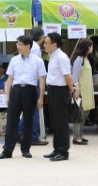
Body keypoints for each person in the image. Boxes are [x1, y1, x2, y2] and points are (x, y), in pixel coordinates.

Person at [0, 35, 47, 159]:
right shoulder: (14, 60)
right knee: (11, 120)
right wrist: (8, 95)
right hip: (16, 90)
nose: (17, 46)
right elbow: (9, 79)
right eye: (17, 44)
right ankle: (7, 150)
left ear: (28, 46)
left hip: (30, 90)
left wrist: (40, 97)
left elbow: (42, 80)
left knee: (28, 120)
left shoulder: (38, 61)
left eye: (20, 44)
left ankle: (26, 149)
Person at [43, 32, 77, 161]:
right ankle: (56, 148)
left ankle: (63, 152)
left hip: (60, 91)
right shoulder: (52, 56)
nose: (44, 45)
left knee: (61, 122)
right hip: (52, 91)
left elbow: (68, 76)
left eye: (47, 43)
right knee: (54, 121)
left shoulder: (61, 57)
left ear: (54, 44)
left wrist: (70, 89)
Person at [17, 27, 48, 146]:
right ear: (41, 37)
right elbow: (38, 71)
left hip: (25, 83)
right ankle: (33, 137)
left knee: (29, 111)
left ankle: (19, 133)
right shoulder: (36, 49)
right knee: (33, 111)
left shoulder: (31, 47)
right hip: (33, 83)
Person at [71, 38, 95, 145]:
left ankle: (80, 134)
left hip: (87, 89)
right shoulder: (79, 59)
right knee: (79, 113)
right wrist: (76, 89)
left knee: (85, 112)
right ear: (88, 47)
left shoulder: (86, 59)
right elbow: (75, 75)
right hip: (81, 89)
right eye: (91, 46)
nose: (92, 48)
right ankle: (76, 137)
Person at [86, 35, 98, 126]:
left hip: (91, 80)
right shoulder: (86, 56)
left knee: (94, 100)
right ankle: (87, 118)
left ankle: (92, 117)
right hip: (87, 82)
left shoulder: (91, 55)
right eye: (97, 46)